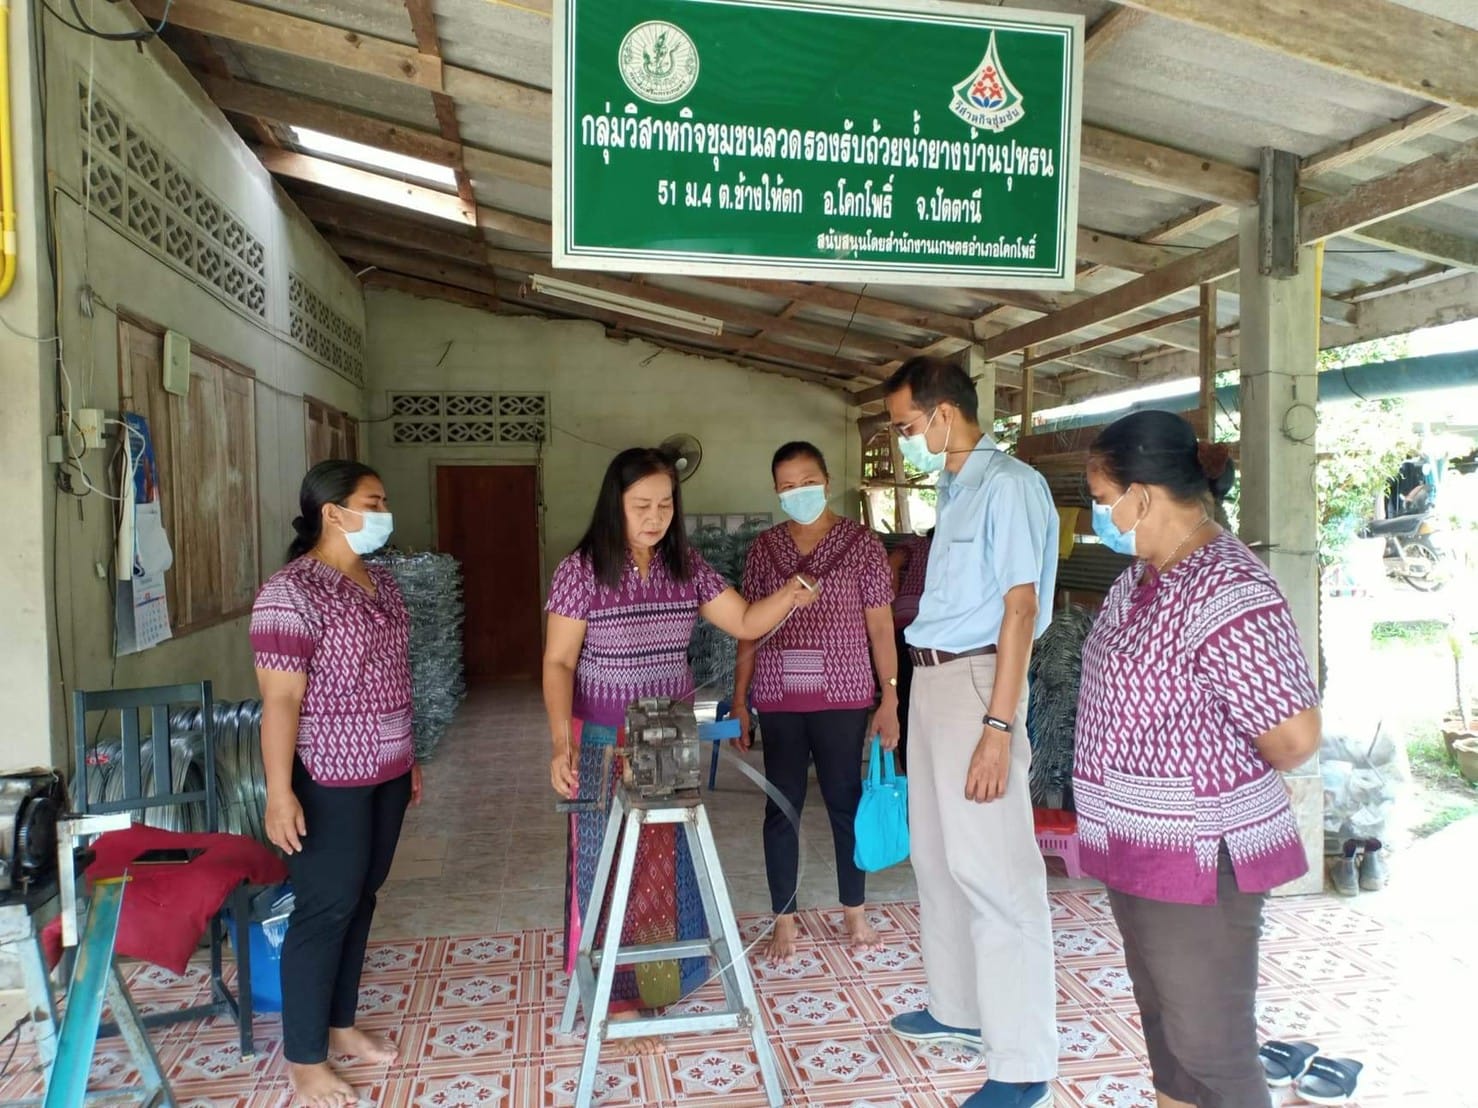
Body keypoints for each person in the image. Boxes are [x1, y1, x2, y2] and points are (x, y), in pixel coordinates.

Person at [1074, 411, 1321, 1108]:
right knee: (1171, 1046)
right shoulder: (1141, 578)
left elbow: (1294, 738)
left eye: (1101, 498)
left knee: (1214, 1053)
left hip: (1201, 857)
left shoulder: (1227, 588)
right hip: (1142, 849)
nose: (1099, 516)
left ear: (1143, 496)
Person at [543, 446, 817, 1055]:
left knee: (662, 865)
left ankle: (658, 985)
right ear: (614, 506)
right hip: (603, 739)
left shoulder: (686, 567)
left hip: (666, 731)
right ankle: (612, 997)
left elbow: (745, 621)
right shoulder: (580, 571)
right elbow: (559, 661)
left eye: (665, 504)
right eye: (641, 505)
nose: (655, 516)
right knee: (607, 866)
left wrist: (791, 595)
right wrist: (560, 742)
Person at [882, 356, 1059, 1108]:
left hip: (980, 687)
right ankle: (957, 1009)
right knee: (937, 856)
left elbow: (1019, 609)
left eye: (906, 426)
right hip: (935, 682)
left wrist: (999, 723)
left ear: (944, 415)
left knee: (998, 874)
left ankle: (1024, 1067)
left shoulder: (1011, 487)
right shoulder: (957, 488)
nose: (903, 441)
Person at [251, 460, 424, 1108]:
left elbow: (393, 675)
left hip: (389, 767)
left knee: (363, 895)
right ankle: (303, 1061)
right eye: (372, 502)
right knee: (325, 907)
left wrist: (413, 756)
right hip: (327, 772)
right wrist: (279, 790)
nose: (384, 513)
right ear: (333, 512)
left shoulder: (381, 581)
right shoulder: (290, 592)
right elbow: (281, 702)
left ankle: (340, 1024)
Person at [731, 442, 898, 963]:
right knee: (781, 807)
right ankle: (785, 918)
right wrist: (739, 699)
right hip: (779, 697)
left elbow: (879, 626)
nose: (797, 491)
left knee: (845, 801)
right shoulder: (764, 549)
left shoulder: (862, 544)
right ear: (776, 491)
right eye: (785, 485)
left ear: (826, 481)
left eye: (806, 481)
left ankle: (854, 909)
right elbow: (747, 629)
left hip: (843, 695)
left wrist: (889, 697)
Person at [886, 527, 933, 774]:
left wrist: (893, 605)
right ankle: (921, 765)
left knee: (905, 696)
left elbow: (891, 563)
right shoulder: (925, 544)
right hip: (934, 629)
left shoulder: (915, 543)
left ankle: (908, 764)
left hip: (906, 624)